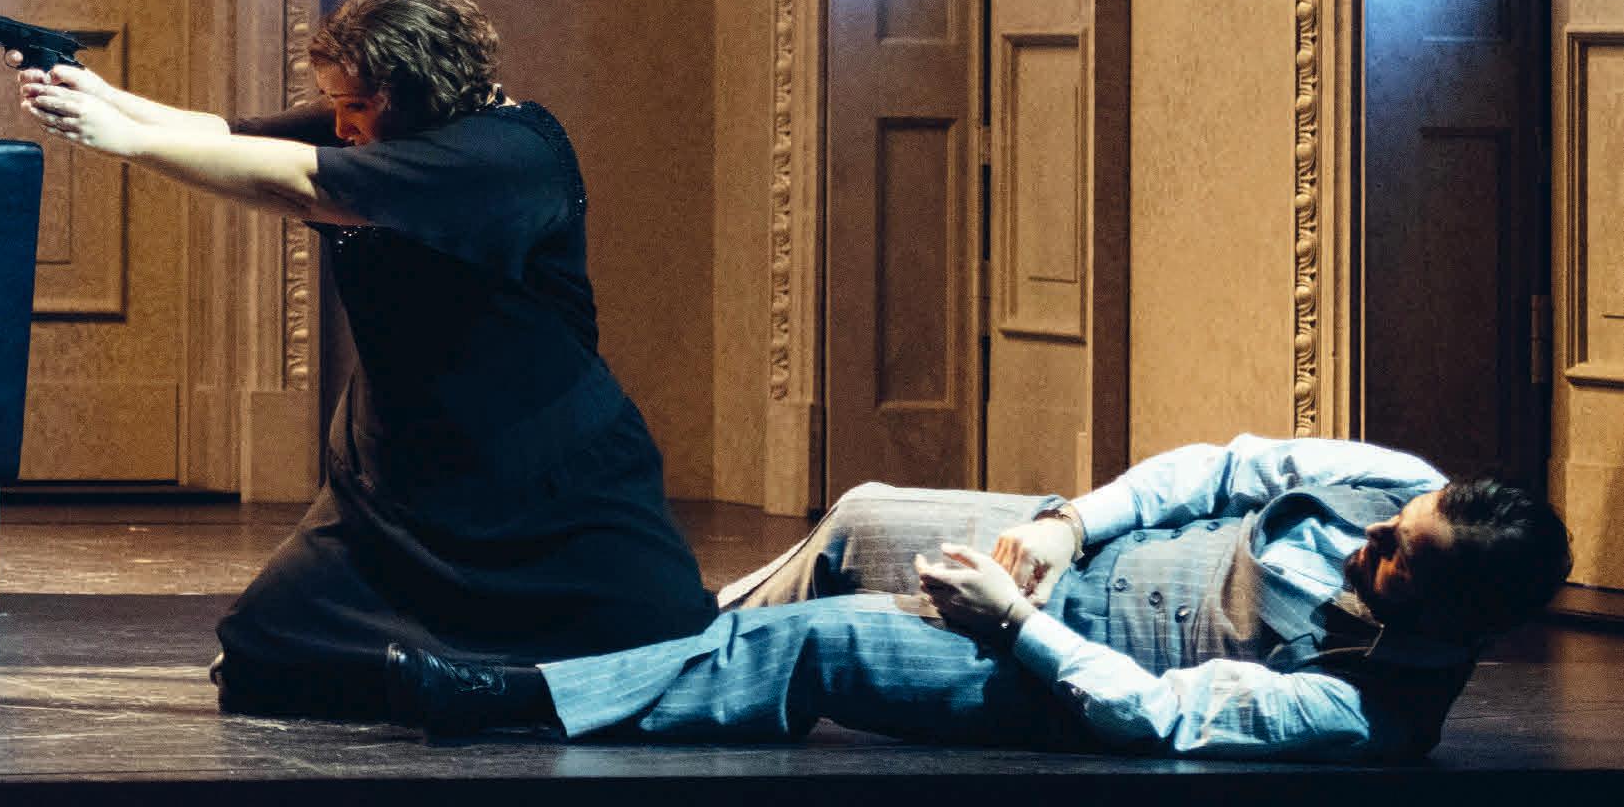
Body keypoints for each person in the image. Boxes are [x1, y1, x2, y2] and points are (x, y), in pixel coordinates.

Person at [14, 0, 714, 717]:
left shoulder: (504, 156)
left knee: (663, 650)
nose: (340, 124)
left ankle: (496, 694)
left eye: (354, 106)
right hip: (403, 481)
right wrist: (96, 93)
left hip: (543, 474)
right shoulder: (385, 123)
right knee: (260, 658)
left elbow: (305, 186)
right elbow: (226, 137)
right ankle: (466, 686)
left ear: (415, 92)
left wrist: (123, 139)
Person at [380, 433, 1572, 760]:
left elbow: (1155, 714)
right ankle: (649, 646)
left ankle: (515, 694)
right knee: (860, 514)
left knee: (811, 645)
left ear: (1451, 616)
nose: (1375, 532)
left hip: (1043, 663)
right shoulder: (1398, 482)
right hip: (1062, 559)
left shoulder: (1363, 712)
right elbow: (1216, 470)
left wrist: (1015, 624)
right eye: (1398, 519)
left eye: (1397, 555)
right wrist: (1069, 523)